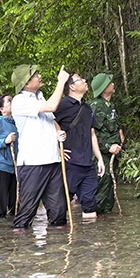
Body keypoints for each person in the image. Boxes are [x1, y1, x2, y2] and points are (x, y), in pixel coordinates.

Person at [10, 64, 70, 230]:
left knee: (59, 213)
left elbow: (51, 119)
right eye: (36, 74)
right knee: (27, 213)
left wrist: (59, 132)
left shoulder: (41, 97)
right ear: (26, 83)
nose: (39, 76)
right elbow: (51, 107)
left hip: (53, 161)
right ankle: (21, 250)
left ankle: (55, 251)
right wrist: (61, 82)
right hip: (32, 164)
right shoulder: (19, 101)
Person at [54, 72, 105, 220]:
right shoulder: (61, 105)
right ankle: (60, 238)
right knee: (62, 201)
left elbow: (92, 134)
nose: (84, 80)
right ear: (72, 86)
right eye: (80, 79)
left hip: (87, 163)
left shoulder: (87, 108)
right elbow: (48, 122)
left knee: (89, 202)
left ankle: (88, 239)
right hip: (70, 162)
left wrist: (99, 158)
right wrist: (57, 149)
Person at [89, 73, 124, 215]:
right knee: (100, 190)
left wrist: (120, 137)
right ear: (104, 89)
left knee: (110, 191)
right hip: (101, 158)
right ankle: (94, 225)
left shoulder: (111, 106)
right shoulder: (96, 106)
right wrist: (107, 146)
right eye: (110, 82)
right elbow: (93, 133)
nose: (113, 84)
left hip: (113, 156)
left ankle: (107, 227)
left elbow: (116, 126)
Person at [0, 95, 18, 218]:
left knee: (15, 205)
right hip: (1, 167)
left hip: (16, 168)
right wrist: (4, 141)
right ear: (2, 109)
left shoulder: (18, 123)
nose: (13, 103)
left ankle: (13, 234)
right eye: (9, 101)